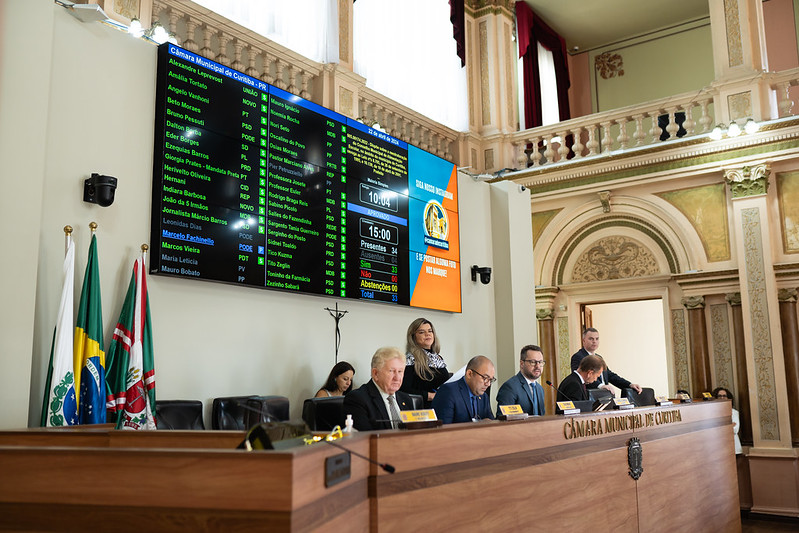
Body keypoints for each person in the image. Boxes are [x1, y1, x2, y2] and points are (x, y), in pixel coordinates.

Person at [343, 347, 413, 431]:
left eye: (400, 371)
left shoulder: (406, 399)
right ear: (375, 373)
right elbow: (364, 438)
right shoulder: (357, 399)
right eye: (391, 371)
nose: (397, 378)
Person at [571, 328, 642, 395]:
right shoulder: (577, 357)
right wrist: (601, 386)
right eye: (591, 339)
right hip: (590, 397)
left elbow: (610, 375)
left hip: (605, 395)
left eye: (597, 339)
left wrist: (629, 385)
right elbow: (581, 378)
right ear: (583, 340)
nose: (594, 341)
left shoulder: (599, 358)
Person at [400, 318, 451, 408]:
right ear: (413, 337)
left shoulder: (438, 358)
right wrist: (428, 395)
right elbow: (403, 388)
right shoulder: (410, 359)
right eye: (421, 332)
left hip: (443, 404)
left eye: (430, 331)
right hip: (423, 408)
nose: (427, 334)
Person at [431, 355, 496, 424]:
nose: (488, 384)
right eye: (485, 378)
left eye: (491, 380)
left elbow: (491, 424)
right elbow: (443, 429)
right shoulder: (448, 392)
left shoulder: (484, 397)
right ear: (469, 374)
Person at [495, 345, 546, 417]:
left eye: (540, 362)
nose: (538, 366)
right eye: (533, 362)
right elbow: (503, 419)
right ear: (522, 364)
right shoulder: (510, 387)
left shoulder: (540, 389)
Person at [713, 387, 742, 454]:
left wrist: (719, 427)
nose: (722, 398)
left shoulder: (734, 412)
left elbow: (735, 429)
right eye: (719, 396)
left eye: (724, 396)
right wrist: (729, 424)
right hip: (718, 448)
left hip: (733, 447)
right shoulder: (712, 413)